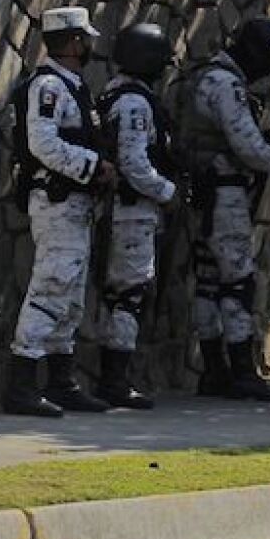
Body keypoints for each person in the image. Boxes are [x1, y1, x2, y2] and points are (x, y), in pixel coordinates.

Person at [0, 7, 116, 417]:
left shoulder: (72, 85)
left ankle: (61, 381)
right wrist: (92, 165)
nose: (90, 46)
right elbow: (42, 145)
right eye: (85, 39)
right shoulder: (49, 85)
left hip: (76, 204)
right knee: (51, 286)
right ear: (73, 42)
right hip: (57, 202)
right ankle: (21, 385)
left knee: (70, 294)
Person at [180, 16, 270, 402]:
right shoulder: (226, 84)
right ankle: (242, 372)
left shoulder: (203, 77)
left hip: (202, 192)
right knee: (238, 281)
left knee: (208, 281)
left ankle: (214, 370)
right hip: (224, 193)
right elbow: (246, 145)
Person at [95, 22, 177, 410]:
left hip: (127, 210)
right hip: (132, 213)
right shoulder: (134, 104)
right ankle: (115, 380)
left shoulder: (119, 97)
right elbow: (133, 162)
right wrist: (168, 192)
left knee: (124, 294)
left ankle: (114, 377)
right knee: (129, 294)